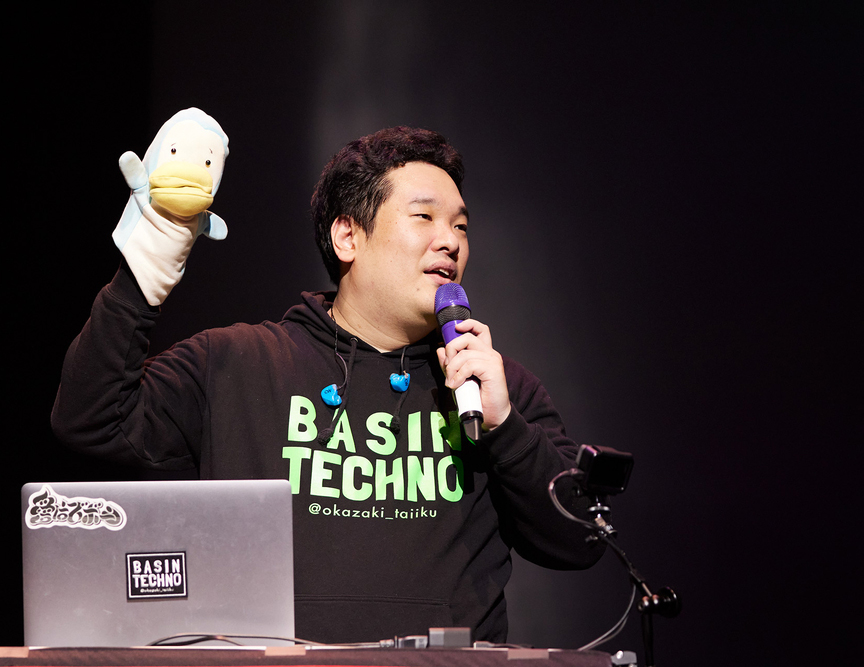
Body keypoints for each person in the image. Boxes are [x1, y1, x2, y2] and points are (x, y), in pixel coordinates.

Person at [52, 126, 604, 644]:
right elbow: (92, 418)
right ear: (347, 236)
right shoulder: (237, 364)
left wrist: (505, 429)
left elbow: (582, 541)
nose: (450, 242)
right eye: (424, 217)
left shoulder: (495, 388)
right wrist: (145, 270)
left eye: (460, 226)